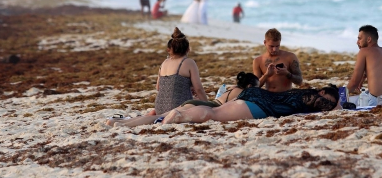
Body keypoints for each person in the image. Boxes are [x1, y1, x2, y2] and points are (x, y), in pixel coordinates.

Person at [112, 72, 259, 127]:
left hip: (196, 103)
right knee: (157, 118)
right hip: (204, 106)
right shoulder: (243, 93)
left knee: (158, 116)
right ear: (250, 86)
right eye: (256, 87)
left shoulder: (230, 88)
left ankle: (119, 121)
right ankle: (124, 125)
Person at [162, 84, 339, 124]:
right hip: (259, 106)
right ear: (321, 93)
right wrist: (338, 105)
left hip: (256, 95)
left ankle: (181, 114)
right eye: (326, 101)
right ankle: (180, 116)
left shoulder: (305, 92)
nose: (325, 106)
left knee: (214, 110)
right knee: (214, 115)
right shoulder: (308, 98)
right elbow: (336, 108)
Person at [346, 25, 382, 106]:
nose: (357, 42)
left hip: (377, 101)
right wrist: (364, 76)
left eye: (360, 38)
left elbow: (354, 83)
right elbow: (381, 70)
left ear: (369, 39)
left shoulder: (364, 51)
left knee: (345, 101)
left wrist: (340, 94)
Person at [253, 28, 303, 92]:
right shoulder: (258, 61)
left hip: (286, 95)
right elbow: (255, 86)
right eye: (271, 46)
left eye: (277, 46)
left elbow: (300, 81)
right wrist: (266, 75)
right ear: (265, 42)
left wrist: (287, 73)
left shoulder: (290, 57)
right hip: (268, 95)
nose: (275, 49)